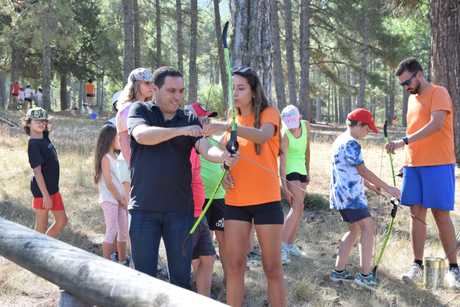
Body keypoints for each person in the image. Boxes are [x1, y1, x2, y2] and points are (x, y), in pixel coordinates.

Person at [127, 66, 236, 290]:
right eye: (171, 91)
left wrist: (224, 156)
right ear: (155, 89)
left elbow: (205, 148)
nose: (177, 97)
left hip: (180, 212)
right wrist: (182, 131)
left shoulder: (187, 116)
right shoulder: (140, 110)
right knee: (142, 280)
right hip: (143, 209)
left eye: (181, 91)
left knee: (180, 280)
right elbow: (141, 136)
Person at [203, 66, 286, 307]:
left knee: (272, 267)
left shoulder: (269, 113)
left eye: (241, 88)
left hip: (266, 201)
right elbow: (217, 149)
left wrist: (229, 127)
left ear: (253, 91)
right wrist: (223, 166)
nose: (236, 94)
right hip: (236, 202)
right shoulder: (233, 120)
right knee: (234, 265)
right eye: (233, 89)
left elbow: (262, 136)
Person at [386, 57, 460, 288]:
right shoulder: (412, 100)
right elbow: (414, 128)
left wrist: (403, 141)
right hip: (414, 166)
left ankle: (453, 268)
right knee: (416, 214)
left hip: (438, 163)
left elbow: (436, 124)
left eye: (407, 81)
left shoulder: (439, 93)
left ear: (418, 74)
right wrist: (406, 162)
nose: (405, 87)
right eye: (401, 84)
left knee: (440, 214)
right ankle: (416, 265)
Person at [329, 108, 400, 289]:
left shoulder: (340, 140)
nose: (367, 133)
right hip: (351, 197)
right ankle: (365, 276)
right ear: (358, 124)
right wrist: (389, 188)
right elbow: (362, 170)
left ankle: (338, 272)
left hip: (341, 196)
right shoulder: (352, 143)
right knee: (368, 228)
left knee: (354, 231)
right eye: (367, 129)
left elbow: (348, 170)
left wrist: (369, 186)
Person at [22, 107, 68, 237]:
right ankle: (33, 253)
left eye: (44, 121)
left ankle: (45, 246)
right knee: (41, 227)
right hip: (42, 191)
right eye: (37, 121)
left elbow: (51, 124)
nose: (42, 124)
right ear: (29, 123)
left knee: (62, 220)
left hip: (53, 188)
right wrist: (46, 196)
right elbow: (37, 172)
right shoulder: (34, 144)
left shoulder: (44, 136)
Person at [94, 125, 130, 266]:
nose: (120, 140)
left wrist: (124, 198)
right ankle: (106, 262)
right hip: (110, 200)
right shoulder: (105, 158)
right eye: (118, 138)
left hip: (121, 200)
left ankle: (122, 259)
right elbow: (108, 182)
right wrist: (119, 198)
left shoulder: (116, 157)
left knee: (123, 231)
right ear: (109, 139)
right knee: (112, 229)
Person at [279, 104, 311, 264]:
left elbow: (307, 150)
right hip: (290, 172)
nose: (291, 127)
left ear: (299, 118)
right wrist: (284, 186)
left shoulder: (306, 126)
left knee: (300, 207)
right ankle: (280, 247)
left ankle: (290, 244)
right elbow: (282, 162)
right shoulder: (284, 134)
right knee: (296, 207)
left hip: (302, 170)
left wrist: (308, 171)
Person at [190, 146, 216, 297]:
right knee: (182, 261)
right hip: (186, 215)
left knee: (208, 257)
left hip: (199, 214)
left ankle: (204, 301)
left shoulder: (196, 149)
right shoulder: (183, 149)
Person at [116, 68, 155, 164]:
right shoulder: (127, 109)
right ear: (136, 85)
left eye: (152, 82)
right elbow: (123, 140)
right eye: (147, 83)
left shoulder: (149, 107)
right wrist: (132, 165)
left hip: (144, 162)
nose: (151, 86)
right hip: (131, 162)